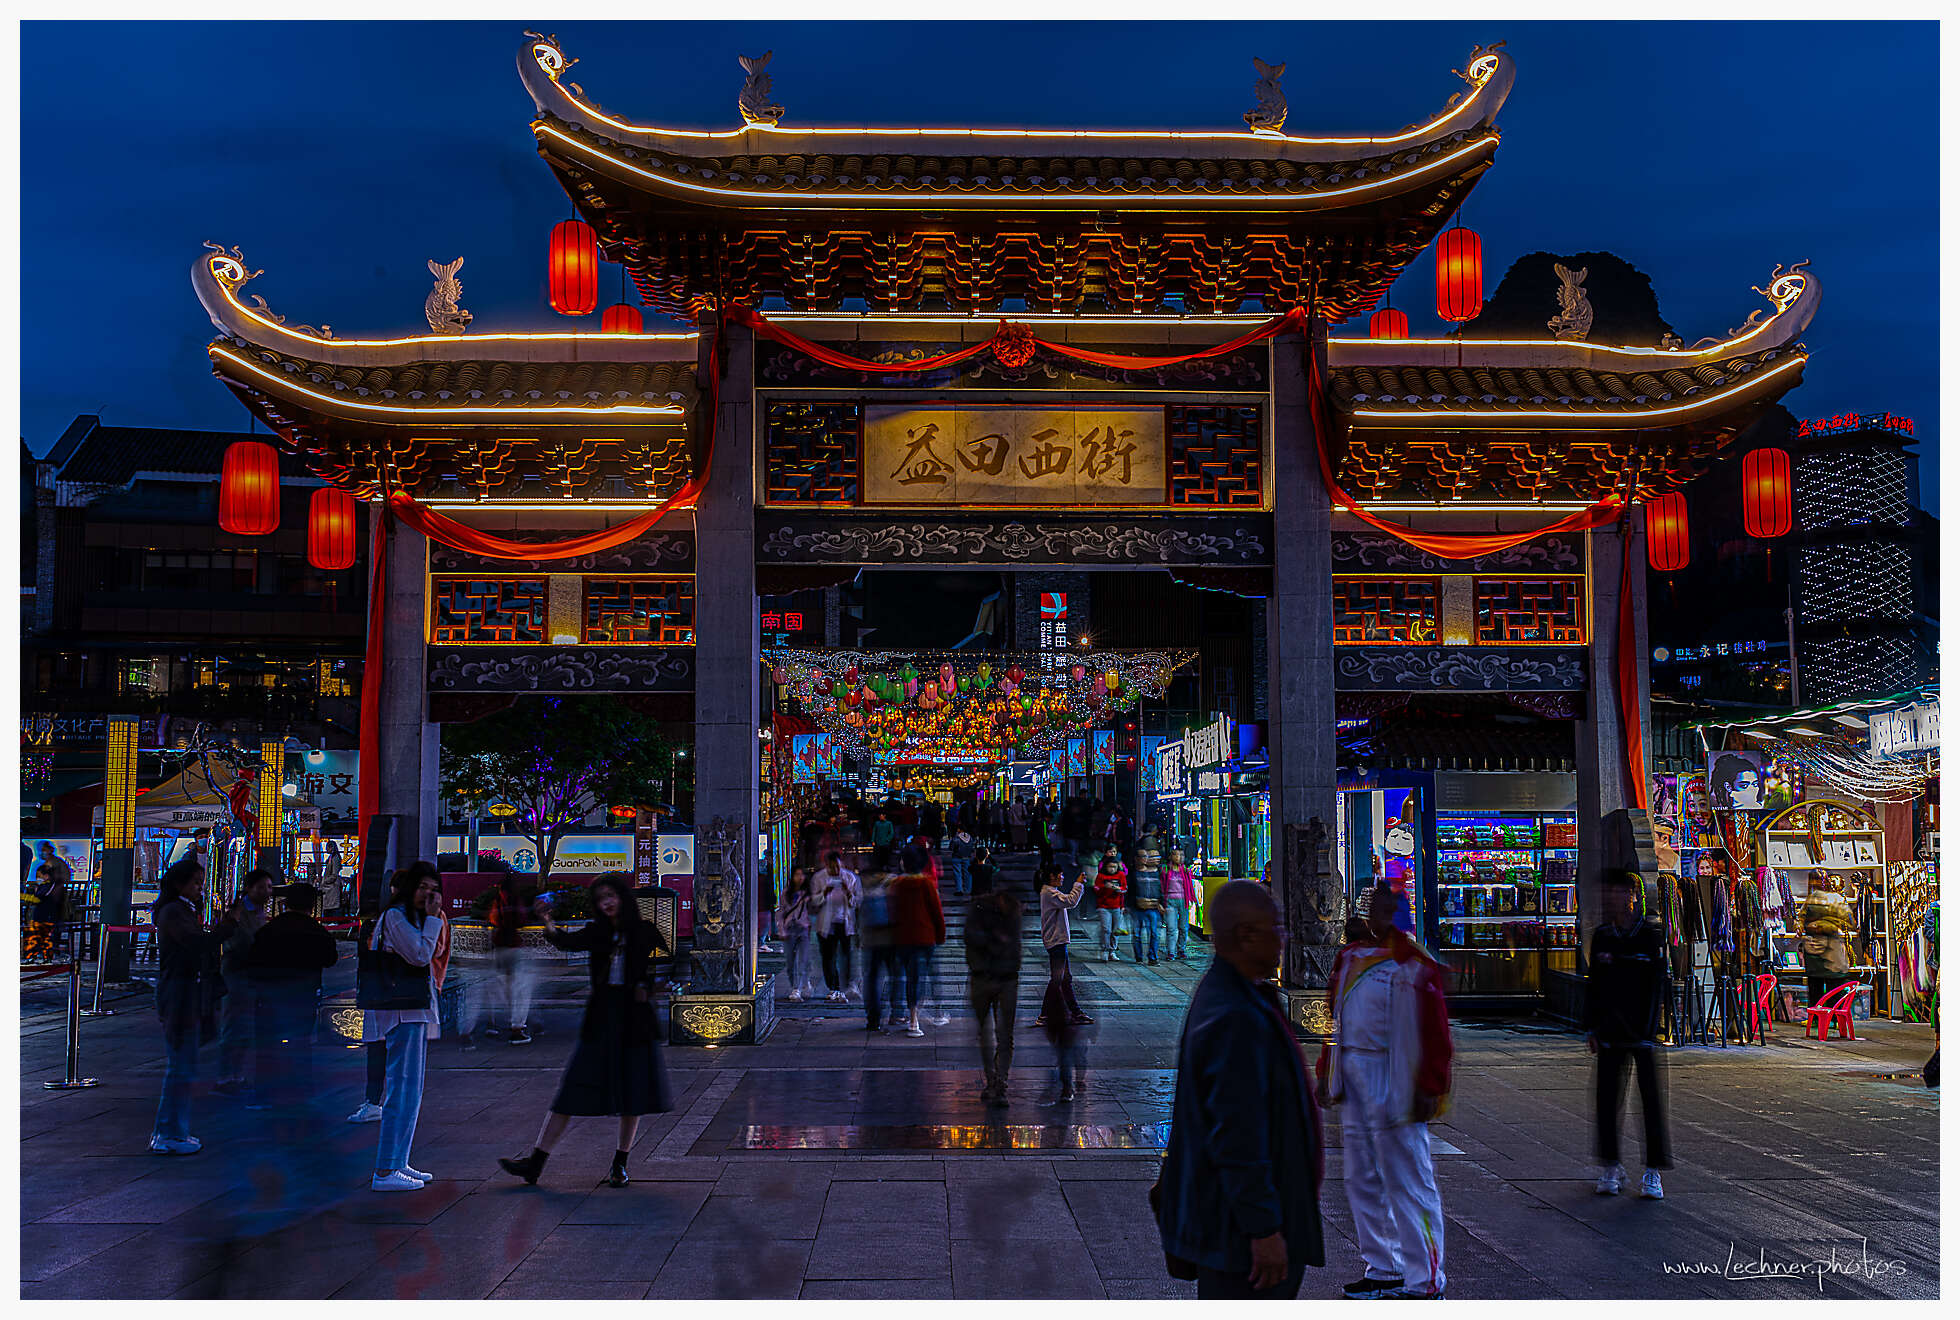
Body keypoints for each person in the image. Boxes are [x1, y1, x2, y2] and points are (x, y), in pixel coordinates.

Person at [1155, 881, 1324, 1299]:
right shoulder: (1234, 1015)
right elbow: (1237, 1133)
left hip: (1232, 1230)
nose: (1283, 937)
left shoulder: (1231, 994)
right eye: (1276, 927)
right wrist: (1263, 1228)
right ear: (1248, 936)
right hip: (1239, 1241)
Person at [1319, 880, 1453, 1300]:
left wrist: (1430, 1085)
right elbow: (1334, 1018)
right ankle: (1384, 1267)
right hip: (1355, 1074)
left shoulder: (1413, 964)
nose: (1367, 914)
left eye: (1378, 908)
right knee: (1361, 1178)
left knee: (1409, 1179)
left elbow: (1435, 1032)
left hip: (1395, 1076)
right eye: (1367, 906)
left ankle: (1426, 1279)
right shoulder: (1350, 957)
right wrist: (1328, 1070)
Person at [499, 876, 674, 1188]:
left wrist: (652, 988)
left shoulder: (643, 930)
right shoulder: (598, 932)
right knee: (572, 1089)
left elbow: (673, 963)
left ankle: (620, 1163)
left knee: (632, 1094)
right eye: (601, 898)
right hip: (602, 1018)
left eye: (611, 896)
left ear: (622, 897)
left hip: (635, 1021)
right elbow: (566, 942)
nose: (607, 903)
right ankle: (535, 1162)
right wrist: (547, 920)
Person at [1585, 870, 1671, 1201]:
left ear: (1631, 895)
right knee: (1607, 1099)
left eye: (1615, 893)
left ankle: (1653, 1171)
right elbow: (1595, 986)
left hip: (1642, 1032)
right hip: (1609, 1031)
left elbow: (1656, 987)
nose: (1609, 900)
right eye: (1605, 893)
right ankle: (1611, 1165)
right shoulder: (1604, 935)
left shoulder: (1648, 936)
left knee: (1650, 1102)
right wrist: (1591, 1026)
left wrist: (1651, 1029)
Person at [363, 861, 446, 1191]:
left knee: (410, 1091)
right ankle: (385, 1169)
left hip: (411, 1010)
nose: (428, 893)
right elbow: (421, 955)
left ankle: (399, 1161)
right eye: (422, 886)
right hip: (401, 1012)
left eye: (433, 887)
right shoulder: (396, 917)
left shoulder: (409, 918)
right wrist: (433, 918)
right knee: (400, 1090)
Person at [243, 883, 339, 1111]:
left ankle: (264, 1093)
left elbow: (253, 960)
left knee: (267, 1046)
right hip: (302, 995)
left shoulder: (270, 929)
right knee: (300, 1044)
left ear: (286, 904)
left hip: (270, 995)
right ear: (312, 905)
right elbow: (330, 959)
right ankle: (301, 1092)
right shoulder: (316, 931)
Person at [149, 858, 223, 1155]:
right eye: (195, 883)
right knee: (181, 1066)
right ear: (180, 883)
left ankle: (174, 1129)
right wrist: (226, 927)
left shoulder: (182, 910)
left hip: (185, 992)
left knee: (184, 1065)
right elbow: (196, 944)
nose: (199, 889)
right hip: (178, 993)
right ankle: (169, 1131)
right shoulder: (173, 913)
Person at [213, 868, 275, 1097]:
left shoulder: (259, 911)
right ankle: (225, 1076)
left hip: (251, 974)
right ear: (249, 888)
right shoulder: (239, 912)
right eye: (262, 887)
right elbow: (238, 942)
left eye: (269, 887)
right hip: (237, 973)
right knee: (233, 1026)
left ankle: (236, 1074)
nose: (267, 892)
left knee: (245, 1027)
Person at [964, 879, 1022, 1106]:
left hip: (1006, 977)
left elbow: (1013, 944)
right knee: (987, 1034)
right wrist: (996, 940)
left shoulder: (1013, 913)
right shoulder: (979, 910)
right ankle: (992, 1080)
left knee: (1004, 1034)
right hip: (983, 977)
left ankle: (1000, 1082)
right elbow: (970, 937)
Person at [890, 845, 948, 1037]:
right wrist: (940, 936)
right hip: (925, 937)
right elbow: (936, 913)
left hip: (903, 938)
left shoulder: (896, 884)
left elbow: (892, 912)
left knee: (909, 978)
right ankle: (920, 1018)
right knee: (921, 977)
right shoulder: (926, 884)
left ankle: (912, 1018)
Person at [485, 874, 541, 1044]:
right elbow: (521, 920)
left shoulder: (498, 902)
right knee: (521, 989)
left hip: (499, 945)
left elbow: (492, 919)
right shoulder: (516, 901)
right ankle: (517, 1028)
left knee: (503, 988)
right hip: (514, 946)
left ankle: (496, 1023)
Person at [1034, 863, 1091, 1028]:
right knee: (1057, 980)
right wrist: (1078, 884)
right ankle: (1044, 1015)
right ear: (1052, 876)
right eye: (1060, 874)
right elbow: (1071, 901)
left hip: (1058, 941)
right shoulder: (1049, 893)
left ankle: (1076, 1013)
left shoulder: (1050, 892)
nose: (1062, 877)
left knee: (1064, 979)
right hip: (1056, 941)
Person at [1800, 869, 1854, 1006]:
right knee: (1815, 987)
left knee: (1834, 988)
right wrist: (1799, 926)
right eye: (1812, 879)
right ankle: (1816, 1017)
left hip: (1831, 950)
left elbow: (1849, 921)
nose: (1815, 883)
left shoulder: (1836, 899)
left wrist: (1826, 925)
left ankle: (1834, 1017)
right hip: (1813, 949)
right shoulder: (1811, 899)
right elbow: (1801, 917)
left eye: (1818, 879)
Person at [814, 851, 861, 1004]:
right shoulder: (819, 878)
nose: (836, 871)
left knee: (846, 955)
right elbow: (814, 902)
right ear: (826, 865)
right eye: (832, 867)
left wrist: (848, 892)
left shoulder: (849, 877)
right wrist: (824, 892)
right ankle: (833, 987)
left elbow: (856, 902)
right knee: (828, 957)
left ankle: (844, 986)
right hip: (826, 924)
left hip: (844, 922)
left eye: (838, 867)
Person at [777, 865, 816, 1002]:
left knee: (802, 959)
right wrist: (781, 930)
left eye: (802, 875)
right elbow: (781, 912)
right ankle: (800, 983)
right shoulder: (785, 893)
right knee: (790, 961)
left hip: (803, 928)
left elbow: (813, 910)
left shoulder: (807, 894)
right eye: (797, 875)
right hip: (789, 929)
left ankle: (796, 988)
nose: (800, 878)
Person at [1129, 844, 1166, 965]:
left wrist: (1161, 903)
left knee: (1155, 933)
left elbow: (1160, 890)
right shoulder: (1133, 873)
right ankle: (1139, 957)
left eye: (1146, 856)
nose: (1145, 859)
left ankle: (1153, 957)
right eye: (1143, 856)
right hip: (1137, 908)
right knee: (1137, 933)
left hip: (1153, 907)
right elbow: (1129, 891)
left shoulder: (1156, 872)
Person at [1163, 849, 1197, 962]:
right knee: (1171, 928)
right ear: (1171, 856)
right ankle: (1171, 952)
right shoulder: (1165, 870)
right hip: (1170, 901)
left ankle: (1181, 949)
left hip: (1184, 901)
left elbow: (1190, 887)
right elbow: (1161, 886)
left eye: (1181, 855)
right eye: (1176, 855)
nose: (1179, 857)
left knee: (1183, 927)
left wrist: (1193, 899)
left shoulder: (1186, 871)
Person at [1093, 856, 1127, 961]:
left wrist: (1118, 889)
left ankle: (1112, 951)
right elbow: (1096, 890)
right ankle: (1105, 950)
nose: (1112, 869)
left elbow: (1124, 888)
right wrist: (1104, 887)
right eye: (1110, 867)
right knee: (1105, 929)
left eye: (1114, 867)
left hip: (1117, 906)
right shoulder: (1101, 876)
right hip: (1103, 907)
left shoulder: (1121, 875)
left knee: (1115, 930)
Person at [947, 828, 974, 895]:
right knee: (968, 873)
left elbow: (951, 847)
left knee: (957, 873)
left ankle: (959, 890)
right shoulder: (970, 837)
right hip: (967, 857)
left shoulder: (957, 837)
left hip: (957, 857)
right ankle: (968, 889)